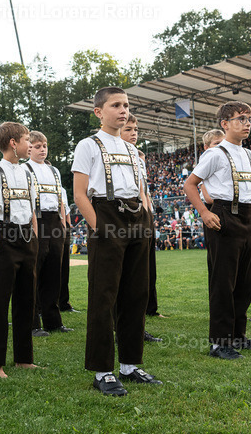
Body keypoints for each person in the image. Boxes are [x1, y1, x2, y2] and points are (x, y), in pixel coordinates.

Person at [72, 87, 161, 396]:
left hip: (137, 216)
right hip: (106, 214)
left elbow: (140, 190)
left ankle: (130, 364)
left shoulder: (132, 150)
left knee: (136, 293)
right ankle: (102, 370)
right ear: (99, 112)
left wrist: (146, 220)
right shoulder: (88, 145)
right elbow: (79, 194)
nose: (124, 110)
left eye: (126, 105)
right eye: (116, 105)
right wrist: (100, 228)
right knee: (104, 295)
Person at [183, 102, 251, 360]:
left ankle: (238, 335)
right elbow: (190, 184)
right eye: (241, 119)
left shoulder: (249, 154)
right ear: (225, 124)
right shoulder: (215, 154)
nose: (247, 124)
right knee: (223, 282)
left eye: (249, 119)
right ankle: (219, 343)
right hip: (224, 215)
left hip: (247, 216)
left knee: (244, 282)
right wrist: (205, 213)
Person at [0, 122, 40, 379]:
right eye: (27, 140)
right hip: (5, 238)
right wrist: (0, 244)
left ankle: (24, 359)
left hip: (27, 238)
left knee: (26, 298)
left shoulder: (28, 173)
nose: (30, 144)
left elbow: (31, 209)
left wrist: (34, 237)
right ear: (13, 143)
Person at [24, 131, 73, 336]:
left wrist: (62, 222)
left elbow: (60, 198)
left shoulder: (54, 170)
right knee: (34, 271)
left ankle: (53, 321)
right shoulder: (24, 169)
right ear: (29, 148)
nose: (42, 149)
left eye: (44, 146)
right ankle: (32, 322)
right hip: (36, 219)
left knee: (54, 271)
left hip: (54, 221)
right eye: (37, 146)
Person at [120, 118, 163, 340]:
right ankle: (119, 327)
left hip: (142, 215)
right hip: (121, 216)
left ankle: (137, 326)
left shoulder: (138, 158)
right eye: (128, 129)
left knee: (140, 274)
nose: (134, 133)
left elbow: (143, 191)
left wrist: (147, 217)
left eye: (136, 129)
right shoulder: (110, 154)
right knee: (122, 277)